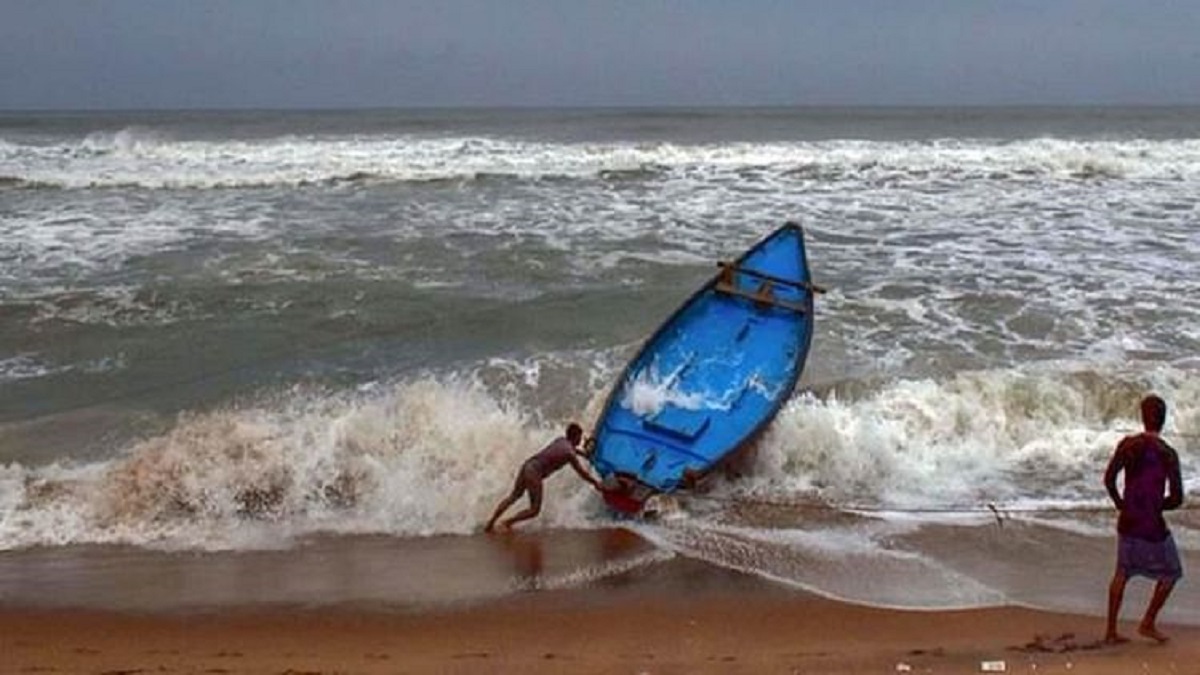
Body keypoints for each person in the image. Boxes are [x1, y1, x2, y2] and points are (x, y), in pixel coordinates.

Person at [1103, 394, 1185, 644]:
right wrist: (1156, 506)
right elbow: (1177, 498)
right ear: (1163, 420)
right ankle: (1147, 622)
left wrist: (1120, 502)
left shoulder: (1128, 445)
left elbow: (1109, 479)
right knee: (1172, 572)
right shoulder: (1168, 453)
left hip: (1128, 519)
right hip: (1151, 524)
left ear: (1142, 417)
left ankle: (1111, 632)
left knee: (1122, 573)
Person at [484, 422, 602, 533]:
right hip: (535, 473)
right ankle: (507, 522)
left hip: (527, 465)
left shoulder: (561, 440)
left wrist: (583, 454)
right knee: (534, 510)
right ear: (575, 437)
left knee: (514, 496)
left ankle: (491, 523)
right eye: (579, 437)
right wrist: (595, 483)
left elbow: (573, 450)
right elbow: (582, 473)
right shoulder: (569, 454)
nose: (581, 440)